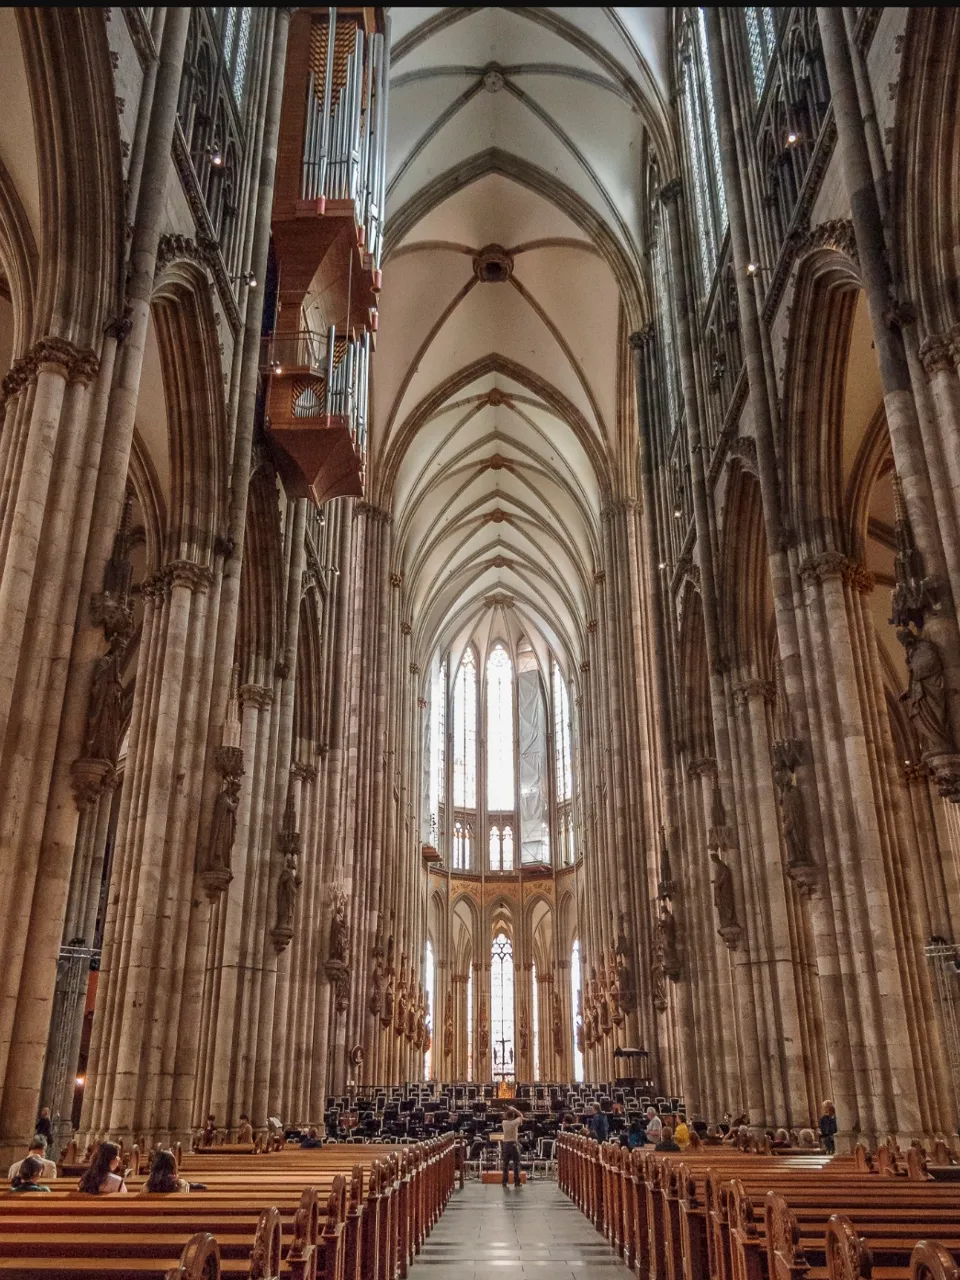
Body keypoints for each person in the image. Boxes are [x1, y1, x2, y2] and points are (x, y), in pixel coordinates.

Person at [501, 1107, 522, 1187]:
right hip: (513, 1145)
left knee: (505, 1164)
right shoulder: (515, 1123)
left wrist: (509, 1110)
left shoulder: (504, 1122)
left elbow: (504, 1116)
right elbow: (520, 1115)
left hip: (505, 1145)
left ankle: (504, 1182)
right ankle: (517, 1182)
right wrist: (515, 1109)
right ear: (513, 1117)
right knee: (516, 1163)